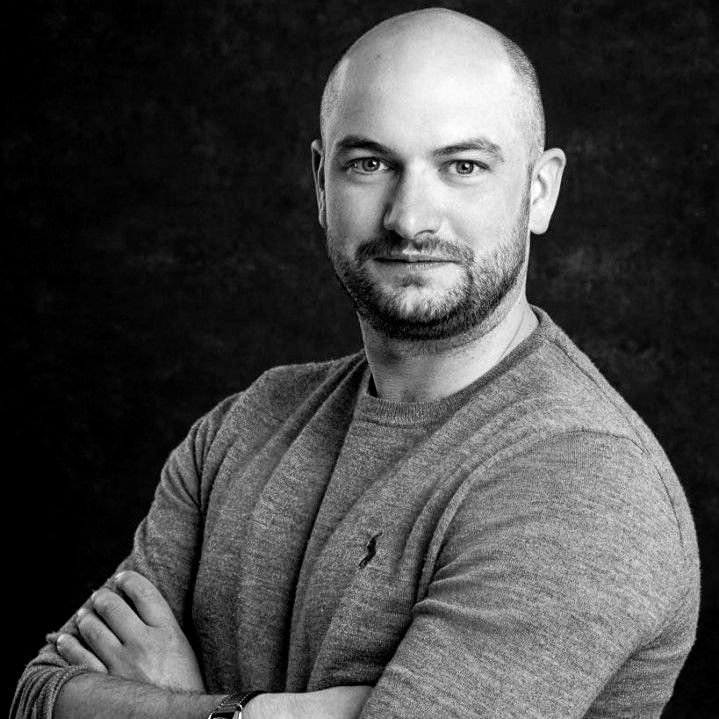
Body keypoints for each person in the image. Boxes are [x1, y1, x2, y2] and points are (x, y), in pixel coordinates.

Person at [12, 8, 699, 719]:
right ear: (320, 182)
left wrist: (200, 706)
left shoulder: (580, 478)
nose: (408, 218)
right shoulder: (244, 427)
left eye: (462, 166)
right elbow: (38, 696)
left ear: (539, 189)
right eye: (370, 164)